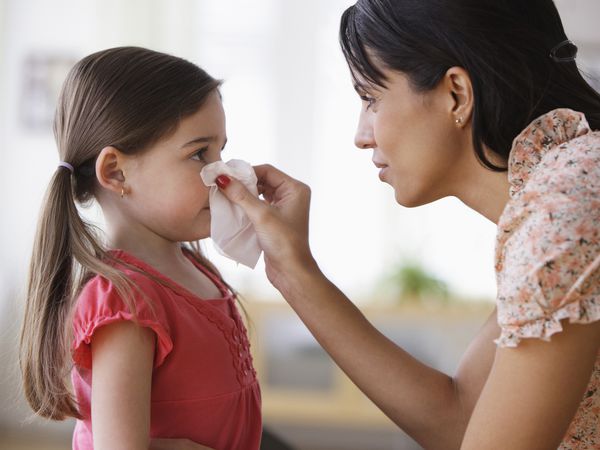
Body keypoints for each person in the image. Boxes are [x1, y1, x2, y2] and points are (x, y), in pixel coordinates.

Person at [213, 0, 600, 448]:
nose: (361, 136)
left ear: (456, 93)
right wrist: (291, 269)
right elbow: (462, 419)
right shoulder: (567, 182)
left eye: (370, 99)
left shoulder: (562, 212)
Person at [19, 47, 261, 450]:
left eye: (221, 150)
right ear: (115, 172)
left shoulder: (194, 267)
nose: (223, 175)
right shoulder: (125, 301)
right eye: (199, 153)